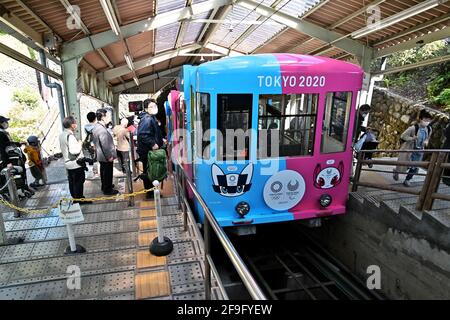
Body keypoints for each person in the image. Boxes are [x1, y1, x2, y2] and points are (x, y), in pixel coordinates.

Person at [393, 110, 433, 187]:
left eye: (429, 120)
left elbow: (428, 137)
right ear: (421, 119)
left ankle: (407, 180)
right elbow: (403, 136)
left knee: (415, 166)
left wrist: (426, 141)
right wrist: (412, 138)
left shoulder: (429, 129)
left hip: (419, 151)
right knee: (404, 165)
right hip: (410, 149)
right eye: (425, 120)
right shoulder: (413, 128)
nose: (427, 122)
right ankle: (396, 171)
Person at [59, 116, 91, 204]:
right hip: (75, 164)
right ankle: (79, 200)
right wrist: (80, 143)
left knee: (72, 183)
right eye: (75, 123)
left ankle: (75, 198)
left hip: (68, 164)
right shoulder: (70, 136)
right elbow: (74, 151)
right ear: (72, 125)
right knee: (78, 182)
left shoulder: (62, 135)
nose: (76, 125)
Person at [137, 99, 164, 199]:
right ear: (146, 109)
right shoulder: (147, 119)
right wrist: (153, 144)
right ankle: (151, 193)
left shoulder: (149, 117)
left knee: (150, 171)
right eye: (151, 107)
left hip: (147, 151)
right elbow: (143, 134)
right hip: (148, 152)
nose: (154, 108)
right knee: (150, 172)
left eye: (155, 106)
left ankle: (151, 191)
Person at [92, 109, 119, 195]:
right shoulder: (102, 129)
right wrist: (109, 156)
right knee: (107, 172)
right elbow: (105, 145)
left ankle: (105, 186)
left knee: (103, 171)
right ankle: (108, 189)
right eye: (106, 116)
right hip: (105, 155)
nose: (108, 118)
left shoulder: (96, 127)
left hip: (100, 155)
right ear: (103, 117)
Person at [83, 112, 98, 176]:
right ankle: (96, 172)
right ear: (95, 118)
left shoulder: (85, 126)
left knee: (90, 157)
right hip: (95, 143)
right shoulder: (96, 126)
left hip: (88, 144)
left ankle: (90, 172)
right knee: (96, 158)